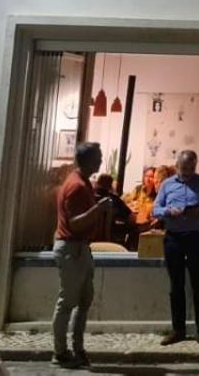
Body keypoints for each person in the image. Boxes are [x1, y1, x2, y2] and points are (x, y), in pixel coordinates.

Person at [52, 142, 115, 370]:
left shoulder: (84, 182)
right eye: (98, 157)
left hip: (81, 249)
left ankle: (77, 348)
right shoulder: (77, 186)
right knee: (67, 302)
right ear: (88, 160)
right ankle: (60, 352)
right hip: (72, 248)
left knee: (84, 299)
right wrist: (98, 209)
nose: (101, 161)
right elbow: (74, 223)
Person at [152, 150, 199, 348]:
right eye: (184, 169)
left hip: (196, 237)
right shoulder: (167, 184)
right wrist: (168, 211)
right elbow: (156, 209)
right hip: (174, 238)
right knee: (176, 285)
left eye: (191, 168)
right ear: (177, 166)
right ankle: (178, 329)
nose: (188, 172)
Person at [92, 173, 138, 249]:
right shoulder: (115, 200)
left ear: (97, 183)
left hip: (87, 241)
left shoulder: (88, 196)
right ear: (110, 186)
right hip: (110, 242)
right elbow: (132, 218)